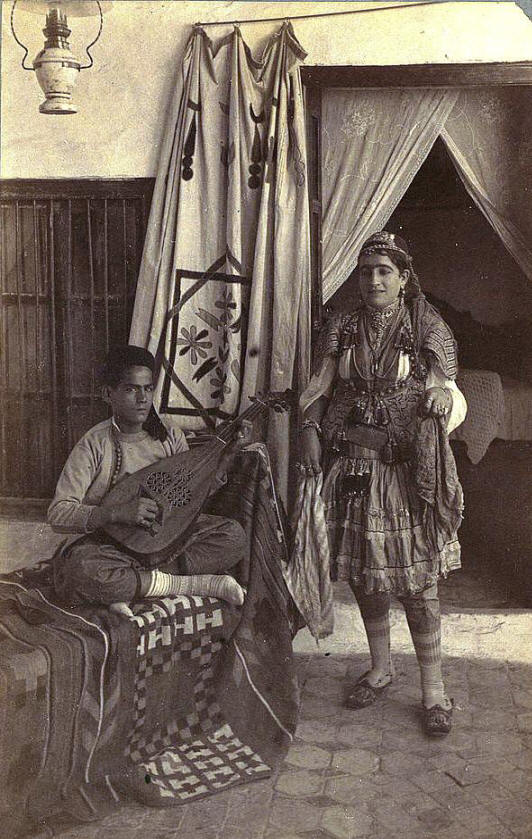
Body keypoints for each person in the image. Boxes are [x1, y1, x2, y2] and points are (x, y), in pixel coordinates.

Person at [299, 231, 467, 736]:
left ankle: (434, 691)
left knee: (417, 582)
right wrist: (309, 430)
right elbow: (319, 387)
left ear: (403, 278)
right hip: (352, 466)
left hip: (403, 472)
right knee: (365, 575)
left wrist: (441, 398)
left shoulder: (425, 325)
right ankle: (380, 668)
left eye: (384, 271)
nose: (374, 280)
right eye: (366, 271)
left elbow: (446, 387)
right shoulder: (342, 325)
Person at [48, 345, 249, 616]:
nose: (143, 398)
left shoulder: (169, 435)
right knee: (79, 570)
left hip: (169, 539)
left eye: (148, 388)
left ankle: (132, 586)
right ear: (108, 394)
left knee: (233, 535)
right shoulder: (94, 444)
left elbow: (190, 494)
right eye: (131, 389)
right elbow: (58, 513)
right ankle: (191, 584)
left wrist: (229, 455)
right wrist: (116, 513)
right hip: (113, 545)